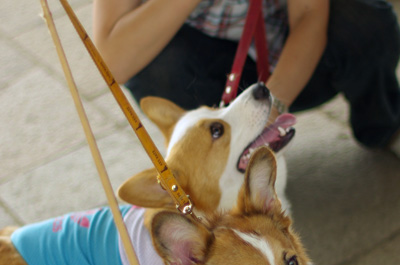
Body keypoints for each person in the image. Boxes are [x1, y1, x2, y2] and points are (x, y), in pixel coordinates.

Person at [92, 0, 400, 156]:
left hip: (297, 60)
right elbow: (113, 61)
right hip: (202, 69)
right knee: (153, 67)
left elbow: (309, 14)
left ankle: (384, 124)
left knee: (366, 20)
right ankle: (215, 169)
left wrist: (270, 111)